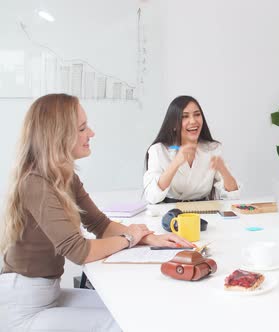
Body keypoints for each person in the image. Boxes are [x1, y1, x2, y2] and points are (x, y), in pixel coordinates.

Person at [0, 94, 193, 331]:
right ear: (58, 136)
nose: (91, 133)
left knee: (131, 309)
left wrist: (151, 238)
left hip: (48, 294)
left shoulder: (65, 178)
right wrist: (129, 238)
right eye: (82, 128)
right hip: (24, 307)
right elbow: (79, 251)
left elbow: (99, 224)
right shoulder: (35, 183)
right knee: (125, 323)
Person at [143, 96, 241, 204]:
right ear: (174, 124)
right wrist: (175, 164)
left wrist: (223, 169)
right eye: (185, 116)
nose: (193, 121)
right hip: (170, 212)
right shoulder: (158, 150)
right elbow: (152, 196)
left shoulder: (212, 148)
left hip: (205, 211)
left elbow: (234, 195)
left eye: (197, 114)